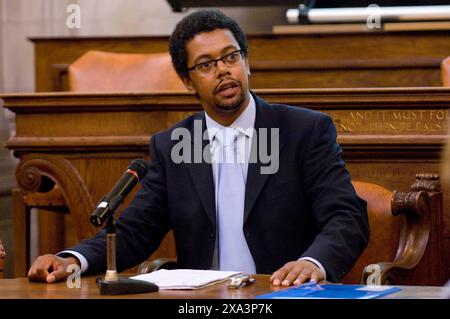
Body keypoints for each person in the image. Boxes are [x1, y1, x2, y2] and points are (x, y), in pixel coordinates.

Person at [28, 10, 369, 286]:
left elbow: (347, 217)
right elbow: (136, 231)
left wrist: (312, 263)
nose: (223, 70)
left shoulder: (303, 131)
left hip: (283, 293)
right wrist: (72, 259)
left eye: (230, 57)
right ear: (188, 81)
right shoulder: (174, 144)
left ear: (246, 62)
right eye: (206, 65)